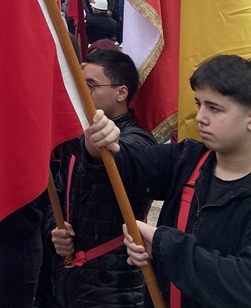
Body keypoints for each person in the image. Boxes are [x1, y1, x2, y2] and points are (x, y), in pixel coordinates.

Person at [86, 53, 251, 307]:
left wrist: (163, 245)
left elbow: (242, 283)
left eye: (214, 108)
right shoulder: (187, 159)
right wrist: (100, 144)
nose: (200, 117)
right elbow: (129, 166)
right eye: (199, 104)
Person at [48, 48, 155, 307]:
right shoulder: (79, 137)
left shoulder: (140, 142)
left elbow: (120, 159)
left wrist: (97, 150)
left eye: (91, 85)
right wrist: (55, 229)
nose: (82, 92)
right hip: (70, 280)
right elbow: (58, 194)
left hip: (116, 285)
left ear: (121, 92)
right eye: (79, 84)